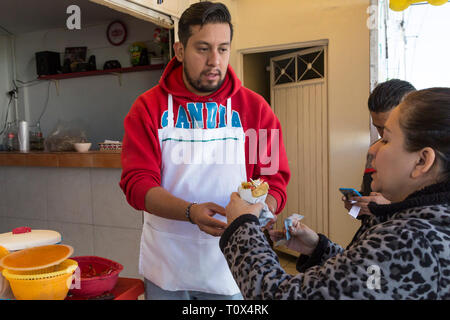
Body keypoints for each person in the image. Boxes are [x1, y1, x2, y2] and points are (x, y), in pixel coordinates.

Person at [119, 1, 290, 300]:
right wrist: (190, 212)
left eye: (223, 49)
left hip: (232, 265)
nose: (215, 61)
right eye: (203, 48)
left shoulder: (255, 108)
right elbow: (137, 184)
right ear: (180, 50)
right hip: (168, 265)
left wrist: (266, 208)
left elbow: (273, 178)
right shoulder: (147, 108)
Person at [220, 88, 450, 299]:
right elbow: (370, 283)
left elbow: (281, 296)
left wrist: (241, 226)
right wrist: (319, 249)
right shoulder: (426, 227)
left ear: (422, 160)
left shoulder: (411, 240)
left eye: (386, 139)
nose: (372, 149)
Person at [343, 79, 416, 216]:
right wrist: (357, 207)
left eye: (388, 127)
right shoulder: (375, 151)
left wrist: (390, 206)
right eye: (378, 127)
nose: (382, 135)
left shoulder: (430, 159)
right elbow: (367, 195)